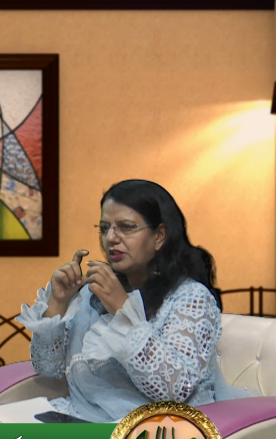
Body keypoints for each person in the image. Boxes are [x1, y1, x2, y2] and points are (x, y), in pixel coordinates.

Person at [16, 179, 259, 423]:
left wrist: (122, 311)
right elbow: (48, 369)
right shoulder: (93, 293)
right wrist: (58, 303)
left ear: (159, 236)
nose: (111, 238)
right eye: (104, 228)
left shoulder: (190, 297)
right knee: (0, 437)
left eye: (127, 227)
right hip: (84, 418)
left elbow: (175, 390)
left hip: (159, 430)